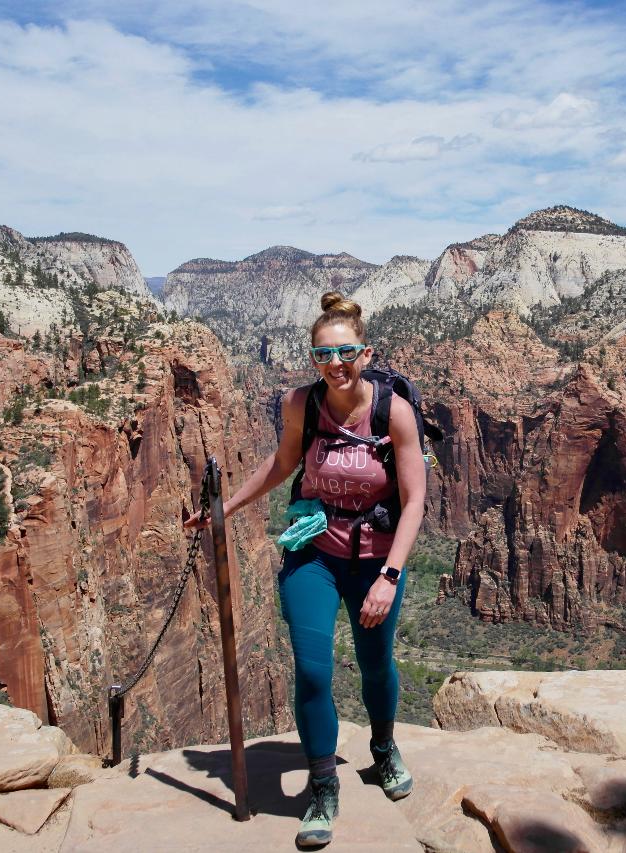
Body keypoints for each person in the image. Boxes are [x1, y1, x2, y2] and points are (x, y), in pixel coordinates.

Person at [184, 291, 425, 848]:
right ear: (313, 359)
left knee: (374, 666)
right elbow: (282, 464)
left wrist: (389, 578)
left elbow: (414, 501)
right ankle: (322, 785)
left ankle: (384, 751)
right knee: (313, 670)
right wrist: (225, 508)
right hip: (313, 552)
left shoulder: (395, 412)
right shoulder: (302, 404)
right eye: (323, 356)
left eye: (347, 353)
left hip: (375, 559)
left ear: (366, 354)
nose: (335, 365)